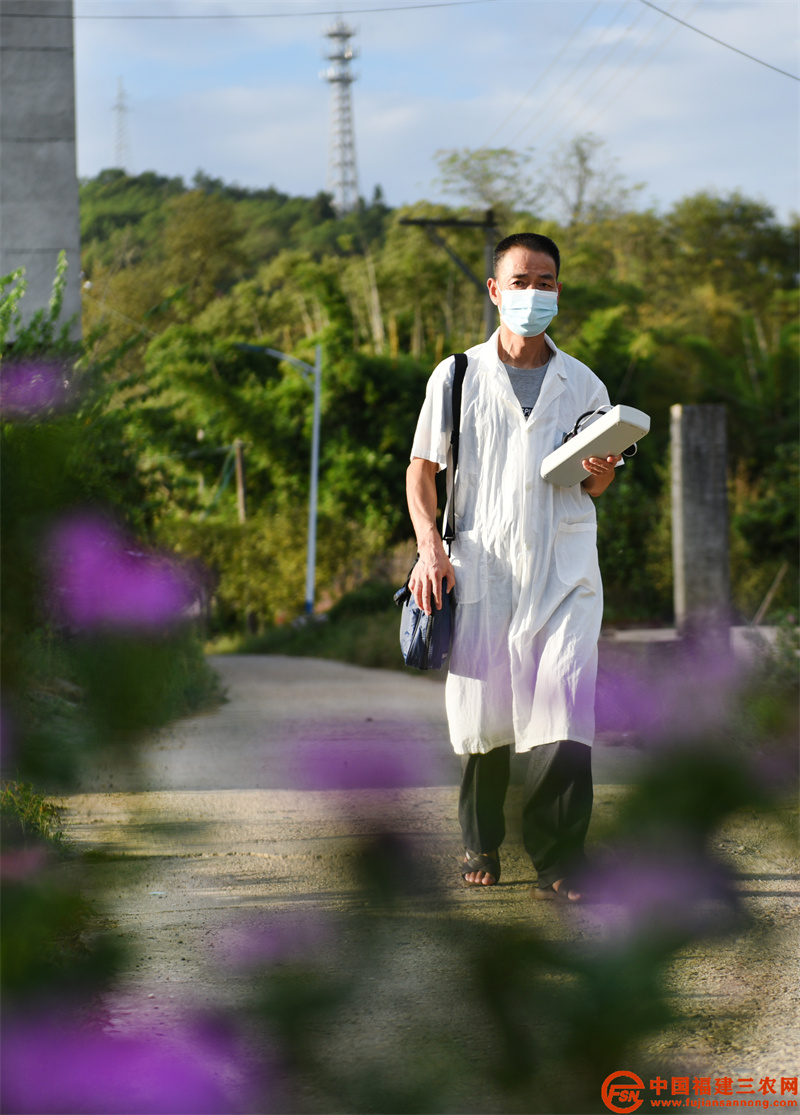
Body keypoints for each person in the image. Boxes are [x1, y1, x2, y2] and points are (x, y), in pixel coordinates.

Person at [406, 232, 620, 902]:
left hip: (564, 566)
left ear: (560, 292)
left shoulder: (583, 382)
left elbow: (594, 488)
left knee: (564, 700)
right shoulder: (457, 375)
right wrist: (428, 548)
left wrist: (602, 471)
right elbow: (421, 470)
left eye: (547, 281)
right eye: (522, 281)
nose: (535, 293)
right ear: (496, 291)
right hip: (483, 563)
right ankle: (480, 840)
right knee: (485, 709)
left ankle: (560, 858)